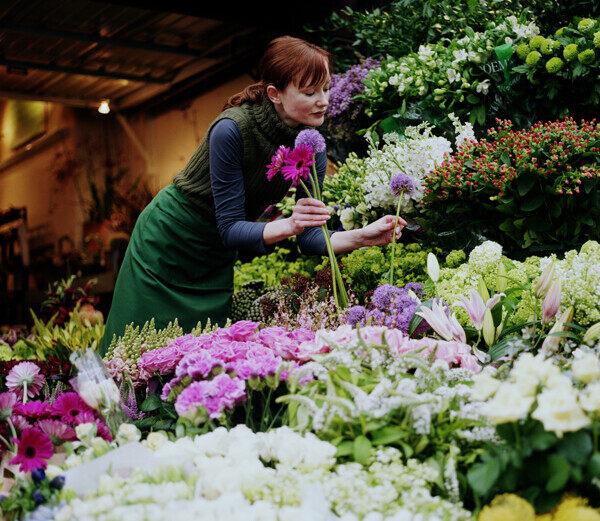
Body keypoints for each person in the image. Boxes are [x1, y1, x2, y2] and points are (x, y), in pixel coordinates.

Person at [99, 36, 407, 356]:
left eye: (326, 89)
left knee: (198, 357)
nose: (323, 100)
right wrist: (290, 224)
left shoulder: (311, 144)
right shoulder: (232, 129)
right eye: (309, 91)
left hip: (214, 258)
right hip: (168, 243)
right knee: (132, 351)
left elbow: (311, 239)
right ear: (274, 94)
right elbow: (231, 229)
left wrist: (364, 236)